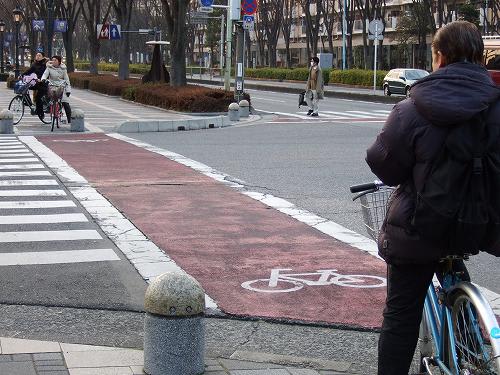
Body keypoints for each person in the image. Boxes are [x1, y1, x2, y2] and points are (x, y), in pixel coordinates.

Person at [365, 21, 500, 375]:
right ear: (479, 56)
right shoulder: (497, 105)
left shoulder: (414, 107)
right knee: (456, 256)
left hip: (422, 226)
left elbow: (385, 165)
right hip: (481, 222)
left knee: (401, 315)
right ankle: (473, 350)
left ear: (439, 57)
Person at [41, 55, 72, 124]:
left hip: (61, 86)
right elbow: (45, 74)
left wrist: (68, 90)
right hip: (52, 85)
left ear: (59, 61)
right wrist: (43, 79)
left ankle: (70, 119)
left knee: (65, 102)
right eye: (53, 60)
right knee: (47, 97)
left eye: (55, 60)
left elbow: (67, 80)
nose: (53, 61)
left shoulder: (63, 69)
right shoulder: (49, 67)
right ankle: (48, 109)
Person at [20, 52, 48, 119]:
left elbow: (47, 74)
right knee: (24, 88)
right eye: (37, 55)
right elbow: (29, 71)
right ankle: (28, 102)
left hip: (43, 84)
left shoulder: (46, 64)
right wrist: (22, 75)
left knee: (38, 98)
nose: (38, 57)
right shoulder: (34, 64)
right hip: (35, 83)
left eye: (39, 55)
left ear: (43, 57)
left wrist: (42, 79)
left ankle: (41, 113)